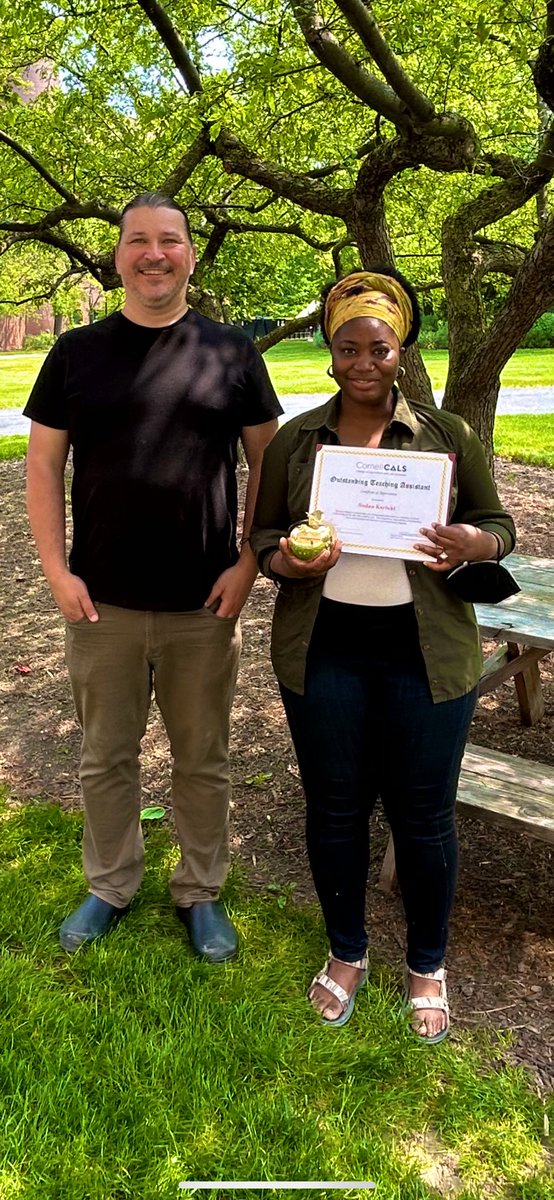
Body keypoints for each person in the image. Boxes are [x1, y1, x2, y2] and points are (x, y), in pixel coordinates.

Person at [250, 267, 515, 1040]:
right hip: (325, 650)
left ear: (401, 351)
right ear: (329, 353)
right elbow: (263, 538)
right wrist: (287, 563)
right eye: (348, 347)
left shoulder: (447, 435)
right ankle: (346, 953)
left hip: (425, 653)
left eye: (380, 347)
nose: (364, 363)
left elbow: (498, 524)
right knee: (334, 807)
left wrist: (473, 539)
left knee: (424, 815)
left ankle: (426, 965)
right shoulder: (300, 439)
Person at [24, 192, 282, 960]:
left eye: (169, 240)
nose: (154, 254)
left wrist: (248, 560)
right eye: (138, 241)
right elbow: (42, 465)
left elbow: (269, 461)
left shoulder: (232, 352)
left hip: (204, 602)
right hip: (100, 602)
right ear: (119, 257)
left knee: (202, 755)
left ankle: (200, 892)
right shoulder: (75, 352)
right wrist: (54, 569)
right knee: (106, 754)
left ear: (190, 255)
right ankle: (110, 885)